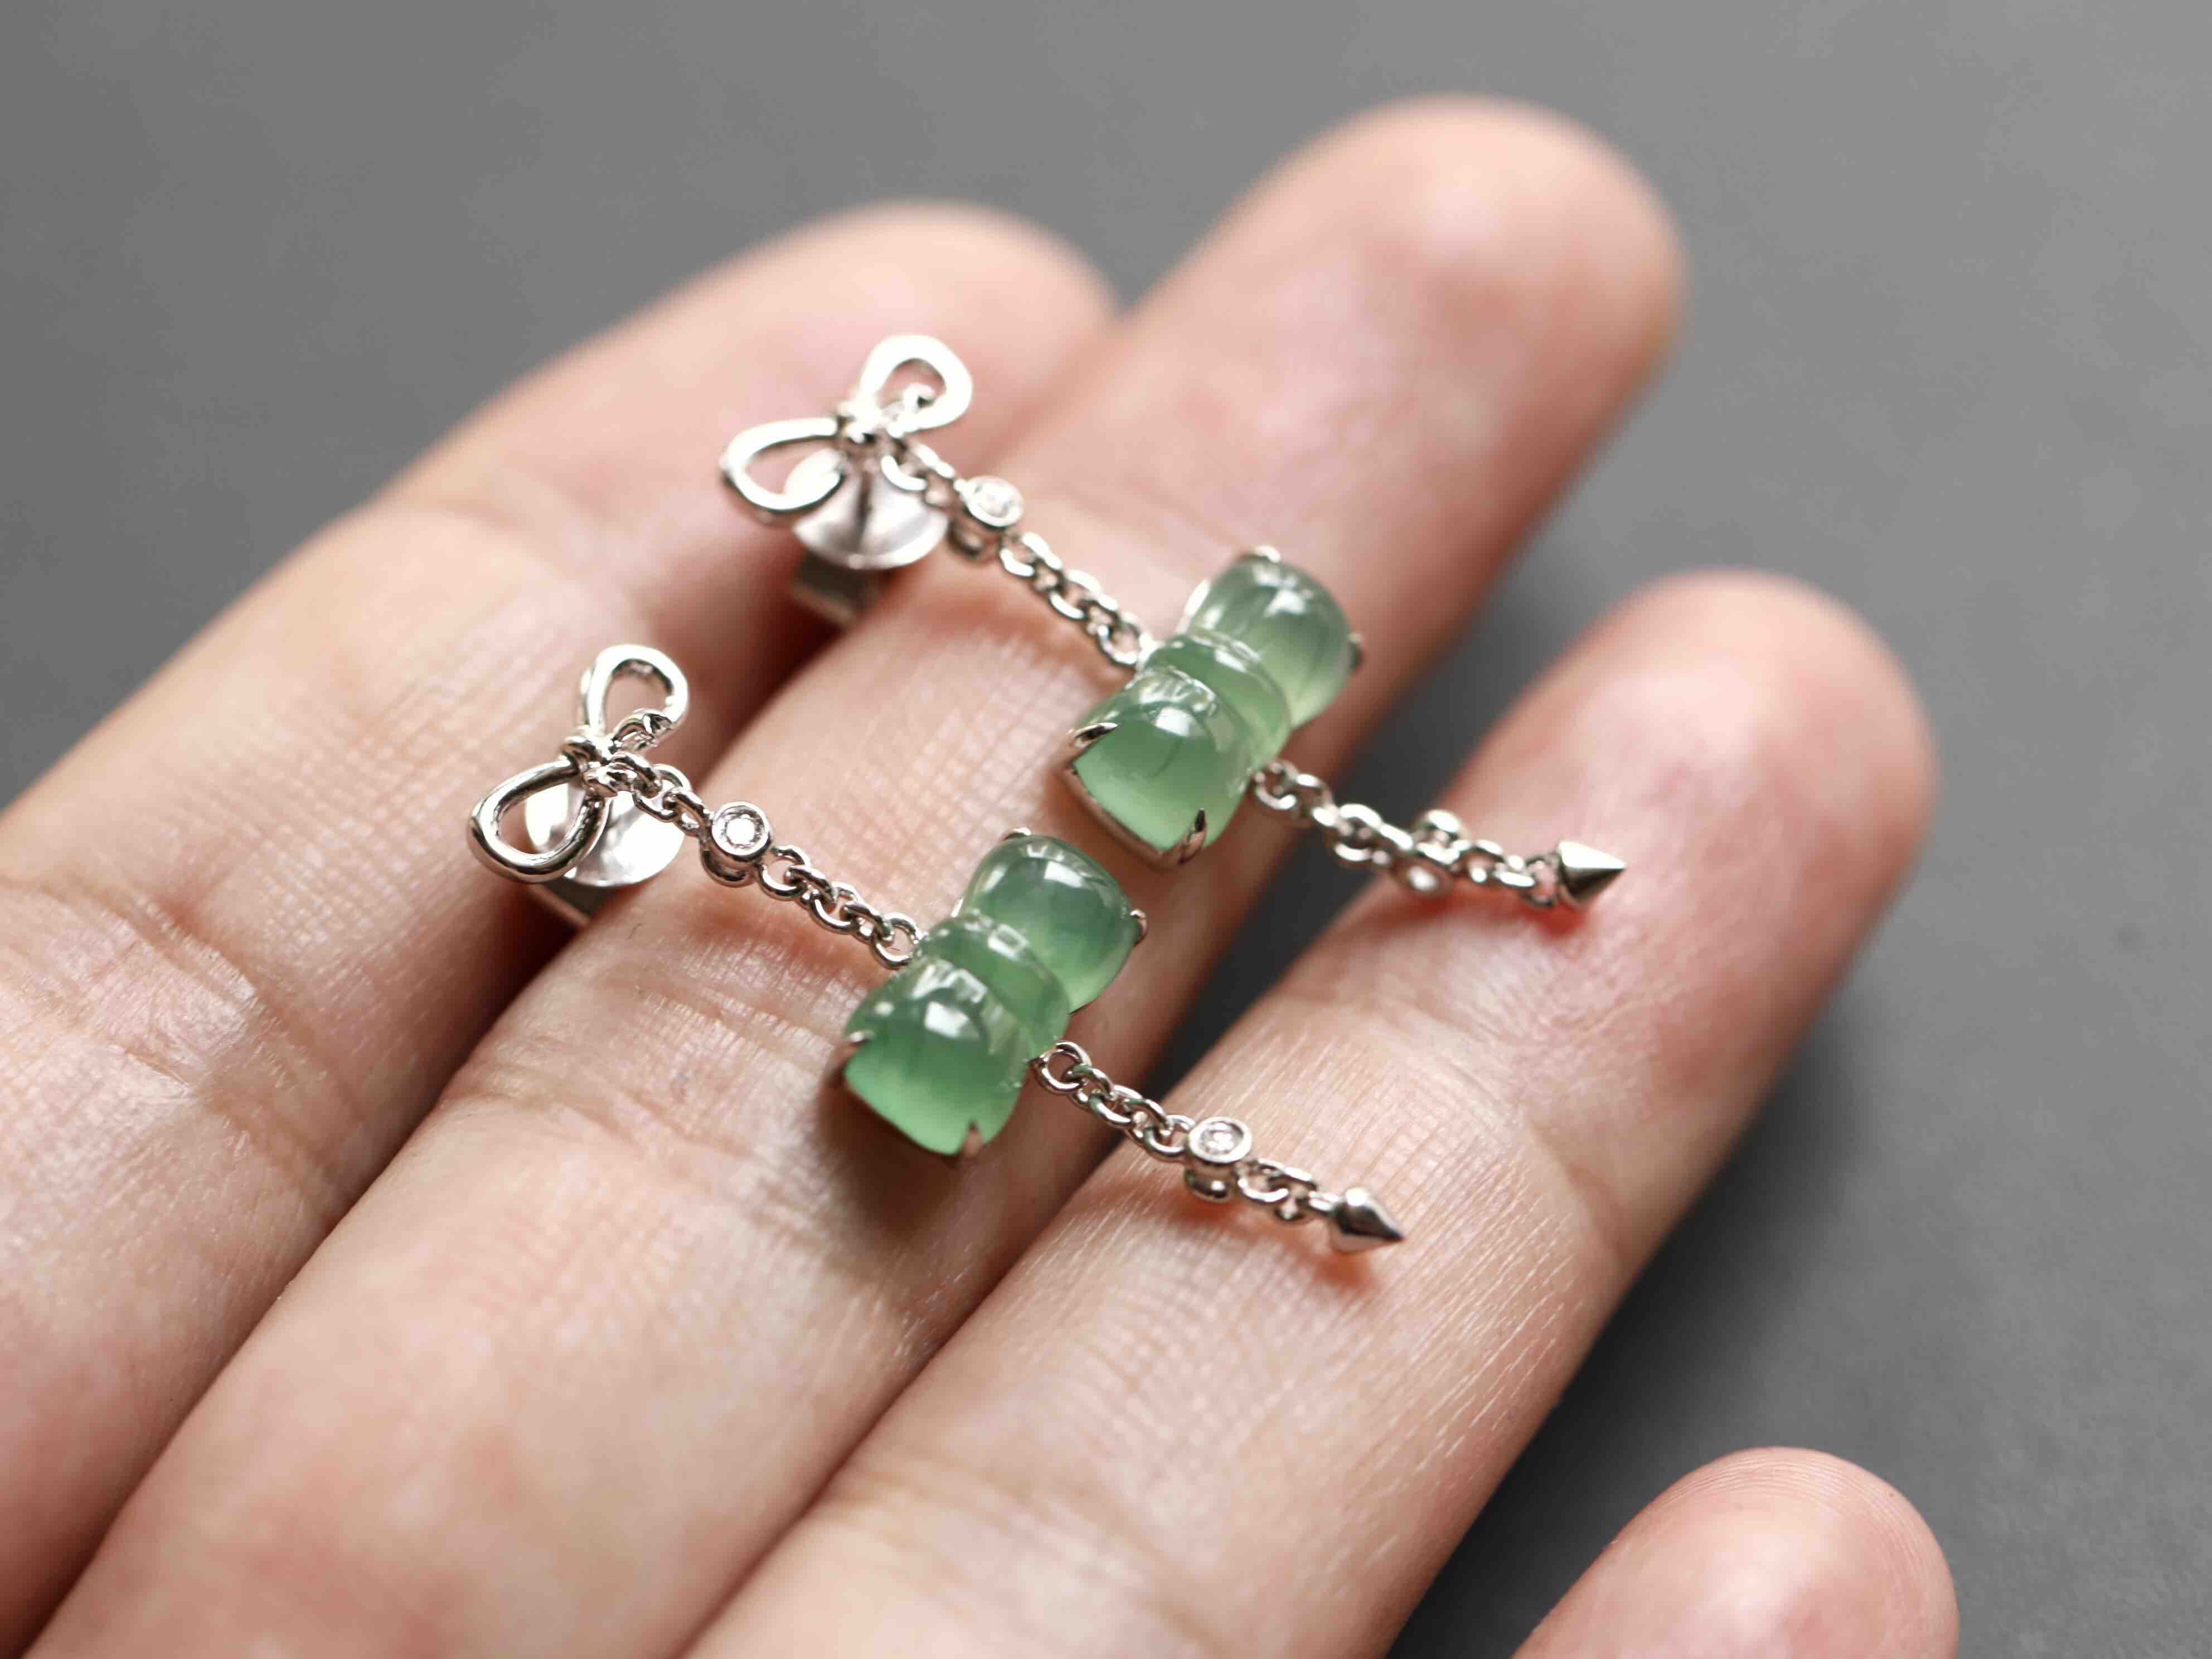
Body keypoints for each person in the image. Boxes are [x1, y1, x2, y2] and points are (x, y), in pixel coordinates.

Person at [0, 100, 1953, 1656]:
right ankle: (1391, 958)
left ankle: (1433, 905)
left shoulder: (1061, 755)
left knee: (1105, 823)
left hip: (1004, 858)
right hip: (940, 946)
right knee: (1007, 948)